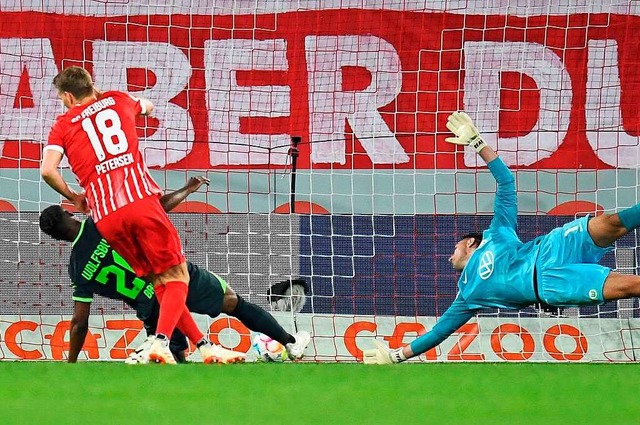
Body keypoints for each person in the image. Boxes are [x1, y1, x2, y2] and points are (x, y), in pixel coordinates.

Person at [363, 111, 640, 364]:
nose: (450, 256)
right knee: (630, 286)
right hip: (551, 285)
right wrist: (396, 355)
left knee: (611, 222)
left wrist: (476, 142)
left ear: (471, 242)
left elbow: (506, 181)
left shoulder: (497, 232)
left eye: (455, 247)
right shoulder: (468, 295)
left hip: (552, 247)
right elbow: (438, 332)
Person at [39, 177, 312, 364]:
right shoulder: (101, 220)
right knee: (232, 302)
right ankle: (289, 342)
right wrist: (187, 190)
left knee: (176, 356)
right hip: (169, 275)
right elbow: (155, 209)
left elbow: (79, 322)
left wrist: (71, 363)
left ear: (56, 239)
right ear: (69, 214)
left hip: (149, 306)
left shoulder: (77, 270)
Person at [41, 66, 202, 364]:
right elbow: (149, 106)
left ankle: (203, 346)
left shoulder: (62, 125)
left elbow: (47, 170)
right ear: (93, 85)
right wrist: (107, 99)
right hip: (140, 201)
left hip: (106, 218)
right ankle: (161, 342)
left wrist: (74, 196)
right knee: (177, 275)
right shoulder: (118, 100)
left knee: (158, 279)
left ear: (67, 96)